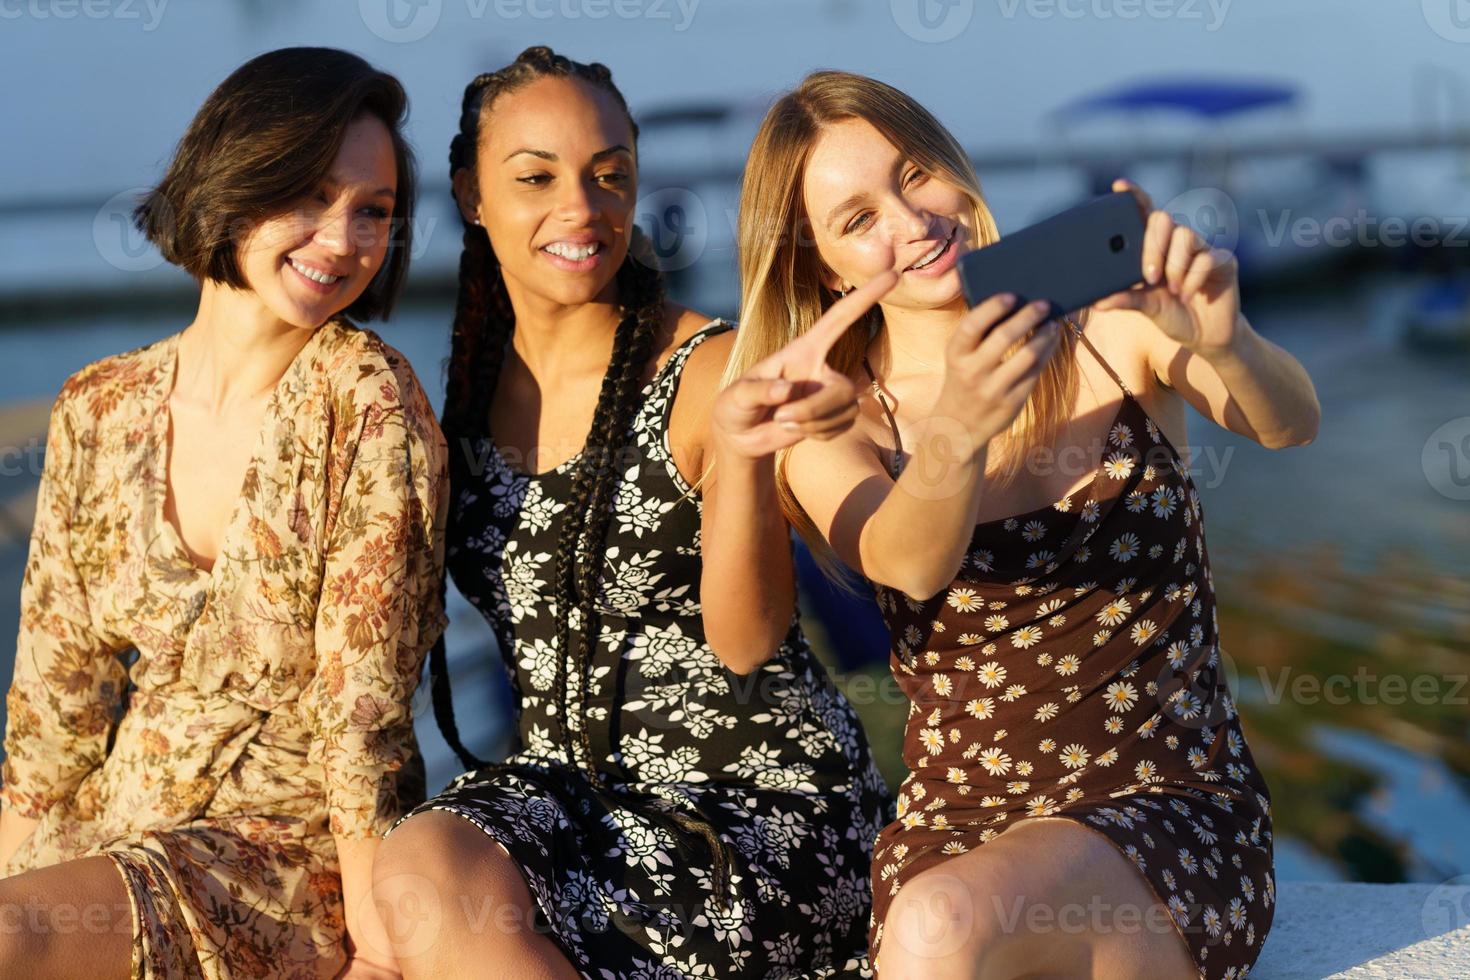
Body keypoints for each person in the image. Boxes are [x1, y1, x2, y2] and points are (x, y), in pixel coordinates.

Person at [714, 69, 1321, 979]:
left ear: (955, 166)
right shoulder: (844, 421)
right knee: (941, 917)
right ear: (817, 265)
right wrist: (957, 426)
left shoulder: (1112, 331)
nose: (912, 224)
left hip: (1169, 808)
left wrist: (1222, 337)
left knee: (941, 929)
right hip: (959, 830)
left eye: (915, 174)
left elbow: (1287, 422)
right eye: (858, 220)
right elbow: (905, 563)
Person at [371, 46, 890, 978]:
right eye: (537, 177)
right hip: (572, 802)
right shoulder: (460, 394)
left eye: (610, 176)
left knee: (430, 896)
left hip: (758, 809)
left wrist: (743, 454)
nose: (582, 207)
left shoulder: (710, 370)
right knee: (411, 882)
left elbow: (751, 640)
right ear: (471, 193)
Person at [0, 48, 447, 979]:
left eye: (373, 211)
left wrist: (378, 946)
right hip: (115, 829)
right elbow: (55, 710)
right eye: (312, 194)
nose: (342, 238)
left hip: (286, 861)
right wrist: (24, 874)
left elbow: (361, 710)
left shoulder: (365, 401)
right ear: (233, 185)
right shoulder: (97, 407)